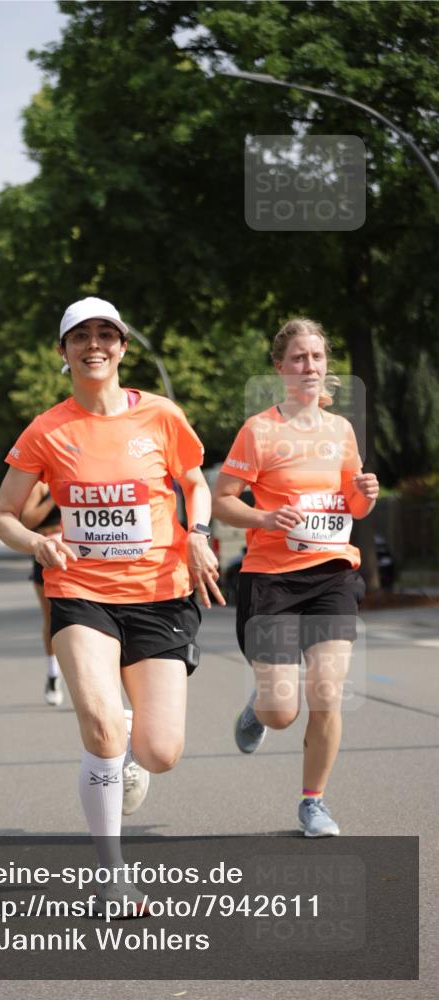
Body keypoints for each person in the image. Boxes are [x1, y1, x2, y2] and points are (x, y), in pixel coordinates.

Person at [0, 296, 224, 915]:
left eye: (106, 335)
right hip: (80, 591)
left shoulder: (161, 415)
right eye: (81, 336)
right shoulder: (47, 430)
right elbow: (3, 515)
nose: (94, 345)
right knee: (99, 728)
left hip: (159, 593)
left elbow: (195, 482)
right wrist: (37, 542)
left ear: (122, 347)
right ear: (63, 351)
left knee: (159, 752)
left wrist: (198, 534)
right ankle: (114, 876)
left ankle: (124, 741)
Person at [212, 317, 379, 837]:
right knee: (282, 711)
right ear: (280, 368)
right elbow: (222, 500)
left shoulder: (341, 430)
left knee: (327, 693)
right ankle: (259, 709)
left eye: (317, 357)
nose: (310, 366)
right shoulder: (260, 430)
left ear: (327, 366)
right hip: (273, 580)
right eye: (299, 358)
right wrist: (263, 518)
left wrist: (365, 496)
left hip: (332, 574)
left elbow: (351, 505)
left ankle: (313, 802)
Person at [20, 482, 64, 706]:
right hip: (48, 554)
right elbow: (27, 521)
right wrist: (54, 497)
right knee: (52, 618)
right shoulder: (39, 485)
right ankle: (53, 674)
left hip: (80, 553)